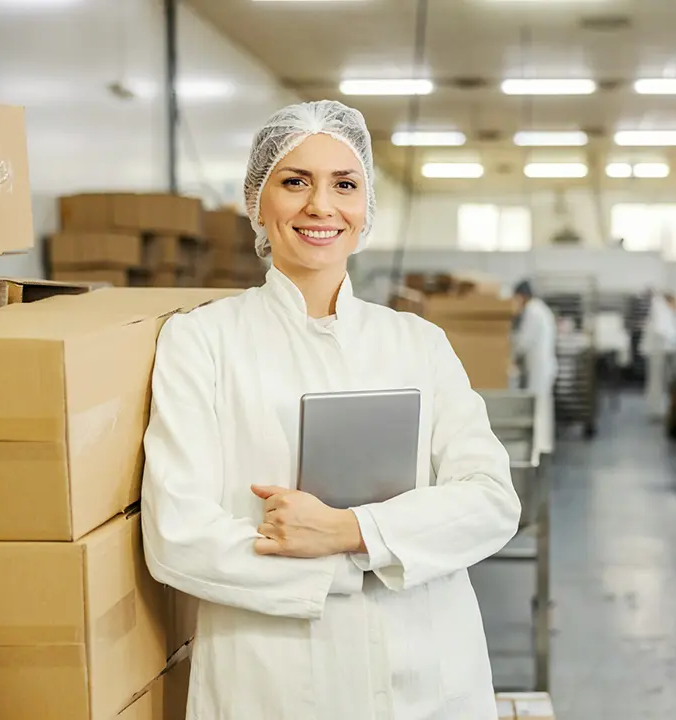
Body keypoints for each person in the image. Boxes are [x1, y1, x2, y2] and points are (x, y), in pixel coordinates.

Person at [140, 100, 521, 719]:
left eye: (345, 184)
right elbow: (178, 537)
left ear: (366, 207)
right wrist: (354, 569)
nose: (322, 206)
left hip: (428, 676)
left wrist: (349, 533)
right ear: (258, 201)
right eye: (295, 182)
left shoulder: (416, 342)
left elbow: (490, 500)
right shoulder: (203, 342)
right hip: (277, 684)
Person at [511, 280, 558, 454]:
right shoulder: (541, 309)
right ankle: (543, 444)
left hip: (540, 368)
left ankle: (539, 446)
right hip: (543, 366)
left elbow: (525, 341)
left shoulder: (532, 311)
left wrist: (509, 348)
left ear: (522, 296)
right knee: (542, 407)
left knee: (538, 407)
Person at [642, 290, 676, 420]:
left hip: (662, 350)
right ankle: (655, 410)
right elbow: (663, 330)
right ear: (670, 301)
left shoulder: (664, 311)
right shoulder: (661, 311)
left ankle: (659, 408)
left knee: (659, 381)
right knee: (656, 381)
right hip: (657, 351)